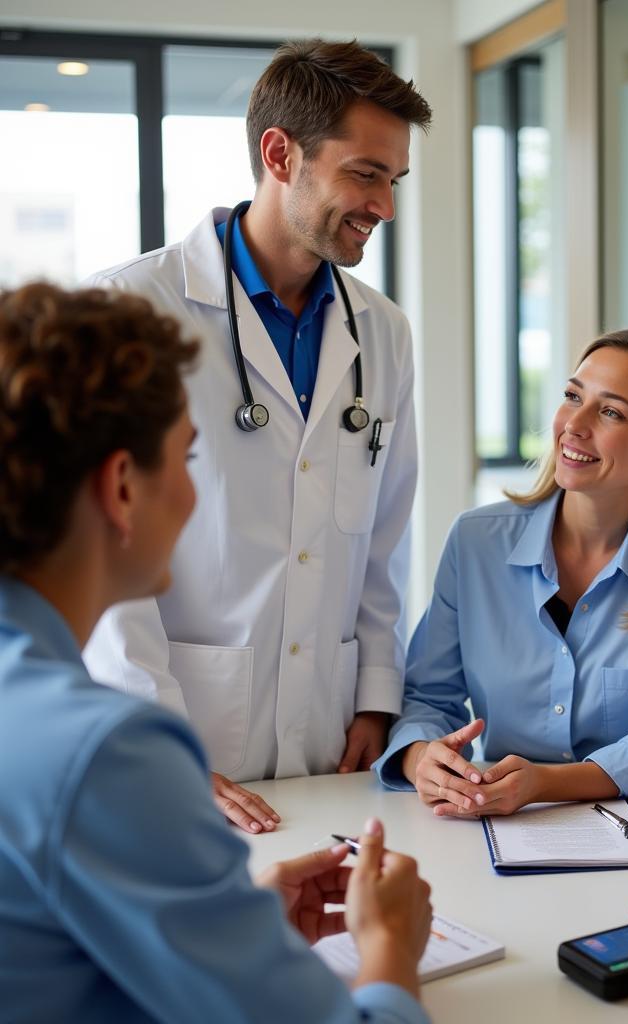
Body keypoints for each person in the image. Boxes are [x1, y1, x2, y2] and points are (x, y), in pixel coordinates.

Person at [0, 283, 433, 1023]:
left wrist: (227, 925)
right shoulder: (106, 755)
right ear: (122, 488)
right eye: (190, 458)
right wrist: (390, 943)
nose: (200, 497)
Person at [82, 39, 433, 833]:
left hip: (332, 741)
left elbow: (386, 535)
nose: (385, 206)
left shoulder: (384, 333)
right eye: (365, 174)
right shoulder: (129, 311)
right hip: (183, 741)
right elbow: (100, 554)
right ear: (281, 154)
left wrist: (377, 695)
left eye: (394, 180)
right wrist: (155, 740)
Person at [373, 328, 628, 815]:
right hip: (485, 827)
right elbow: (428, 698)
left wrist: (544, 784)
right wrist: (423, 758)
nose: (575, 424)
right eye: (573, 396)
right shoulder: (476, 542)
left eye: (611, 411)